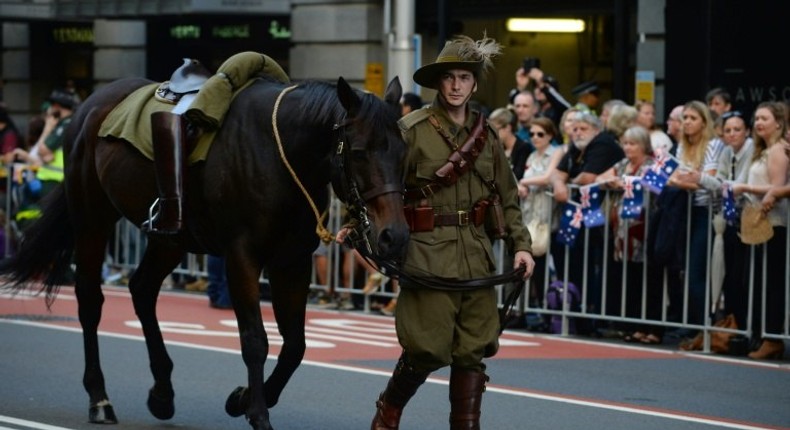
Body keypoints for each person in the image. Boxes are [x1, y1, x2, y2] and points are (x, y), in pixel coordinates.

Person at [345, 34, 534, 430]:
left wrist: (522, 246)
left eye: (464, 77)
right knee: (426, 348)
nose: (456, 85)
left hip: (476, 255)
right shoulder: (410, 130)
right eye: (449, 77)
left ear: (474, 84)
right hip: (428, 252)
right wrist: (358, 222)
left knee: (473, 351)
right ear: (438, 82)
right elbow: (378, 181)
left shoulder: (487, 136)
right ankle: (389, 409)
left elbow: (508, 194)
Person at [550, 112, 624, 334]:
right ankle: (577, 312)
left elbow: (587, 177)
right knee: (575, 262)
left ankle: (594, 316)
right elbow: (557, 172)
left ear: (596, 129)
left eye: (583, 128)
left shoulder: (602, 143)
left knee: (594, 265)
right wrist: (559, 185)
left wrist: (568, 182)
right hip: (580, 214)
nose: (577, 132)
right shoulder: (577, 146)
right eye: (575, 129)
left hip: (602, 217)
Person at [732, 101, 788, 360]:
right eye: (756, 119)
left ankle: (771, 336)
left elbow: (776, 189)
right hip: (758, 222)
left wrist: (745, 188)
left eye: (764, 118)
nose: (759, 123)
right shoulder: (762, 150)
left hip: (773, 223)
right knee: (757, 280)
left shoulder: (777, 151)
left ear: (779, 122)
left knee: (771, 282)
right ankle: (760, 333)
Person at [597, 126, 657, 343]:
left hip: (645, 227)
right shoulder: (623, 164)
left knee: (646, 278)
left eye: (633, 144)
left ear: (644, 146)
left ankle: (650, 326)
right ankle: (631, 324)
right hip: (622, 231)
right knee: (628, 277)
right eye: (626, 143)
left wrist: (632, 183)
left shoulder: (651, 164)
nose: (628, 148)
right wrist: (610, 182)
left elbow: (658, 186)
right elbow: (600, 177)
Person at [669, 101, 724, 335]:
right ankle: (692, 324)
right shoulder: (681, 146)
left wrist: (687, 180)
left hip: (706, 212)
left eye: (692, 118)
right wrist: (687, 180)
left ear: (704, 121)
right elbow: (673, 178)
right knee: (685, 270)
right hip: (685, 211)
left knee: (697, 271)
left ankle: (704, 325)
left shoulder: (713, 145)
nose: (687, 122)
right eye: (685, 118)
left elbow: (706, 179)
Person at [696, 110, 753, 331]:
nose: (731, 134)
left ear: (746, 131)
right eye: (727, 130)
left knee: (743, 276)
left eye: (737, 129)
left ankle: (745, 327)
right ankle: (732, 325)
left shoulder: (751, 150)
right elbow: (721, 181)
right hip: (729, 220)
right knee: (730, 276)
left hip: (749, 219)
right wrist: (704, 180)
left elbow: (737, 184)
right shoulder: (726, 152)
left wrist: (701, 179)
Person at [517, 117, 563, 313]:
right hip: (530, 216)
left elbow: (547, 178)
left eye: (540, 134)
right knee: (535, 267)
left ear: (550, 135)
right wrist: (520, 185)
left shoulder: (557, 152)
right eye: (532, 134)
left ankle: (551, 311)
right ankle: (531, 310)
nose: (535, 137)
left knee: (552, 268)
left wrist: (523, 182)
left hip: (549, 217)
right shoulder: (532, 156)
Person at [488, 107, 531, 180]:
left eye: (496, 129)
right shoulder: (496, 146)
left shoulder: (523, 147)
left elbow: (517, 175)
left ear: (508, 127)